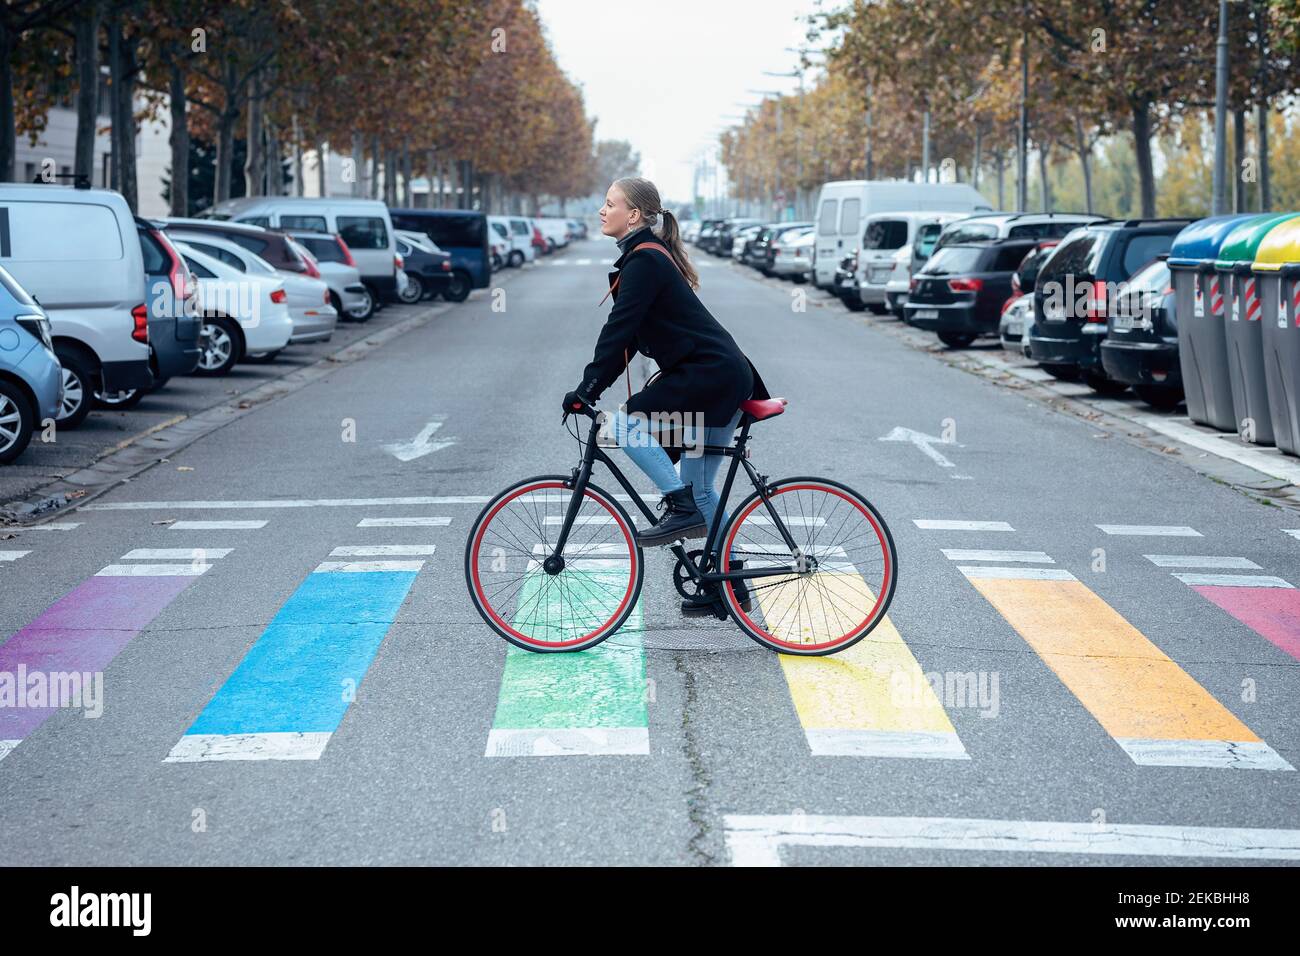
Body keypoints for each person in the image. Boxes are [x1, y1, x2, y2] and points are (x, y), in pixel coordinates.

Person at [562, 177, 770, 616]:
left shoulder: (645, 262)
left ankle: (680, 508)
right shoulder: (645, 259)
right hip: (722, 378)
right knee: (701, 487)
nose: (602, 210)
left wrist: (587, 391)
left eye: (609, 203)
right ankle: (728, 587)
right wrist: (591, 386)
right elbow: (628, 343)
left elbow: (617, 330)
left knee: (623, 423)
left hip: (710, 378)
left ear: (633, 215)